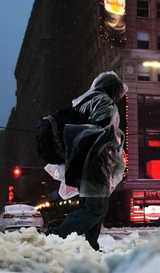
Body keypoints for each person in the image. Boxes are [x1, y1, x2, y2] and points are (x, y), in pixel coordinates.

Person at [48, 71, 128, 251]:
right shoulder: (103, 102)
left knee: (96, 206)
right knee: (96, 208)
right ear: (111, 88)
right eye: (117, 92)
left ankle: (90, 245)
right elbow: (102, 131)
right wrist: (118, 135)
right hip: (93, 163)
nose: (118, 97)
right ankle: (56, 236)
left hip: (79, 162)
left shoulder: (84, 102)